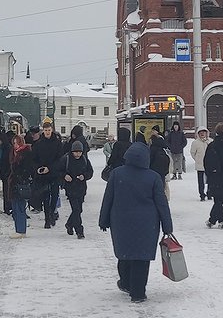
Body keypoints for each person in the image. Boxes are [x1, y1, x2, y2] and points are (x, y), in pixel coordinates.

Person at [98, 142, 173, 303]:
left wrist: (103, 220)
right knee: (141, 258)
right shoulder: (153, 177)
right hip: (147, 224)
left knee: (124, 254)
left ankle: (125, 282)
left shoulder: (117, 174)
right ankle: (138, 293)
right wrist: (167, 226)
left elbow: (108, 198)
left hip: (121, 222)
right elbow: (162, 203)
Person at [31, 121, 67, 228]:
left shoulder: (57, 143)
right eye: (46, 130)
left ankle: (52, 213)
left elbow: (60, 159)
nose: (47, 132)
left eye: (49, 130)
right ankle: (47, 218)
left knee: (54, 195)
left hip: (54, 173)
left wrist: (50, 168)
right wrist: (38, 168)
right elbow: (34, 159)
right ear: (43, 130)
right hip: (42, 175)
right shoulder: (38, 144)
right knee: (45, 197)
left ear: (52, 130)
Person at [61, 141, 94, 238]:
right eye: (76, 152)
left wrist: (84, 176)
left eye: (79, 152)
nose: (78, 154)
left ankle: (69, 224)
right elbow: (58, 170)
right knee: (76, 209)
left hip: (81, 188)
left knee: (79, 209)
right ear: (72, 151)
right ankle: (79, 230)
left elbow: (90, 171)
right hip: (70, 188)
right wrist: (65, 176)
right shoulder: (66, 159)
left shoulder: (84, 159)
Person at [8, 134, 37, 237]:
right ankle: (18, 229)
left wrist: (21, 177)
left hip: (21, 183)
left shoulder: (25, 153)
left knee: (20, 207)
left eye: (17, 143)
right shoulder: (15, 153)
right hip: (15, 183)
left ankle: (21, 231)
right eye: (14, 143)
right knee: (15, 208)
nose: (15, 145)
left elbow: (28, 169)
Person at [147, 128, 172, 200]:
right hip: (163, 172)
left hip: (154, 170)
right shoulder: (163, 148)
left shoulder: (153, 149)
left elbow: (150, 160)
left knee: (155, 187)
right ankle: (164, 198)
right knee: (162, 186)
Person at [188, 127, 211, 201]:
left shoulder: (210, 141)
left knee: (210, 180)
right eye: (200, 133)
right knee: (201, 181)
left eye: (204, 132)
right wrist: (197, 159)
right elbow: (192, 153)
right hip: (200, 164)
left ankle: (210, 193)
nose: (202, 134)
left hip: (210, 164)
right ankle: (202, 194)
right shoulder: (195, 142)